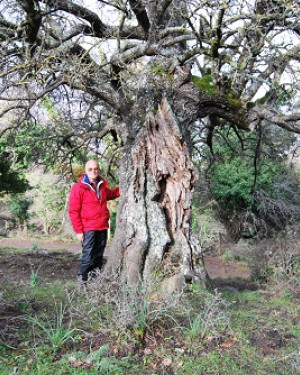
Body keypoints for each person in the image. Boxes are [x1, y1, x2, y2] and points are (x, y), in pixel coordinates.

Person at [69, 159, 120, 282]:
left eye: (95, 169)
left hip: (102, 227)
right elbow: (73, 211)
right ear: (85, 171)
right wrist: (79, 231)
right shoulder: (78, 188)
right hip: (88, 228)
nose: (93, 171)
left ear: (98, 170)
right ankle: (82, 282)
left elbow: (112, 194)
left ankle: (94, 281)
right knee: (88, 256)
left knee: (98, 256)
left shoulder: (101, 186)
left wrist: (124, 187)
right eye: (90, 169)